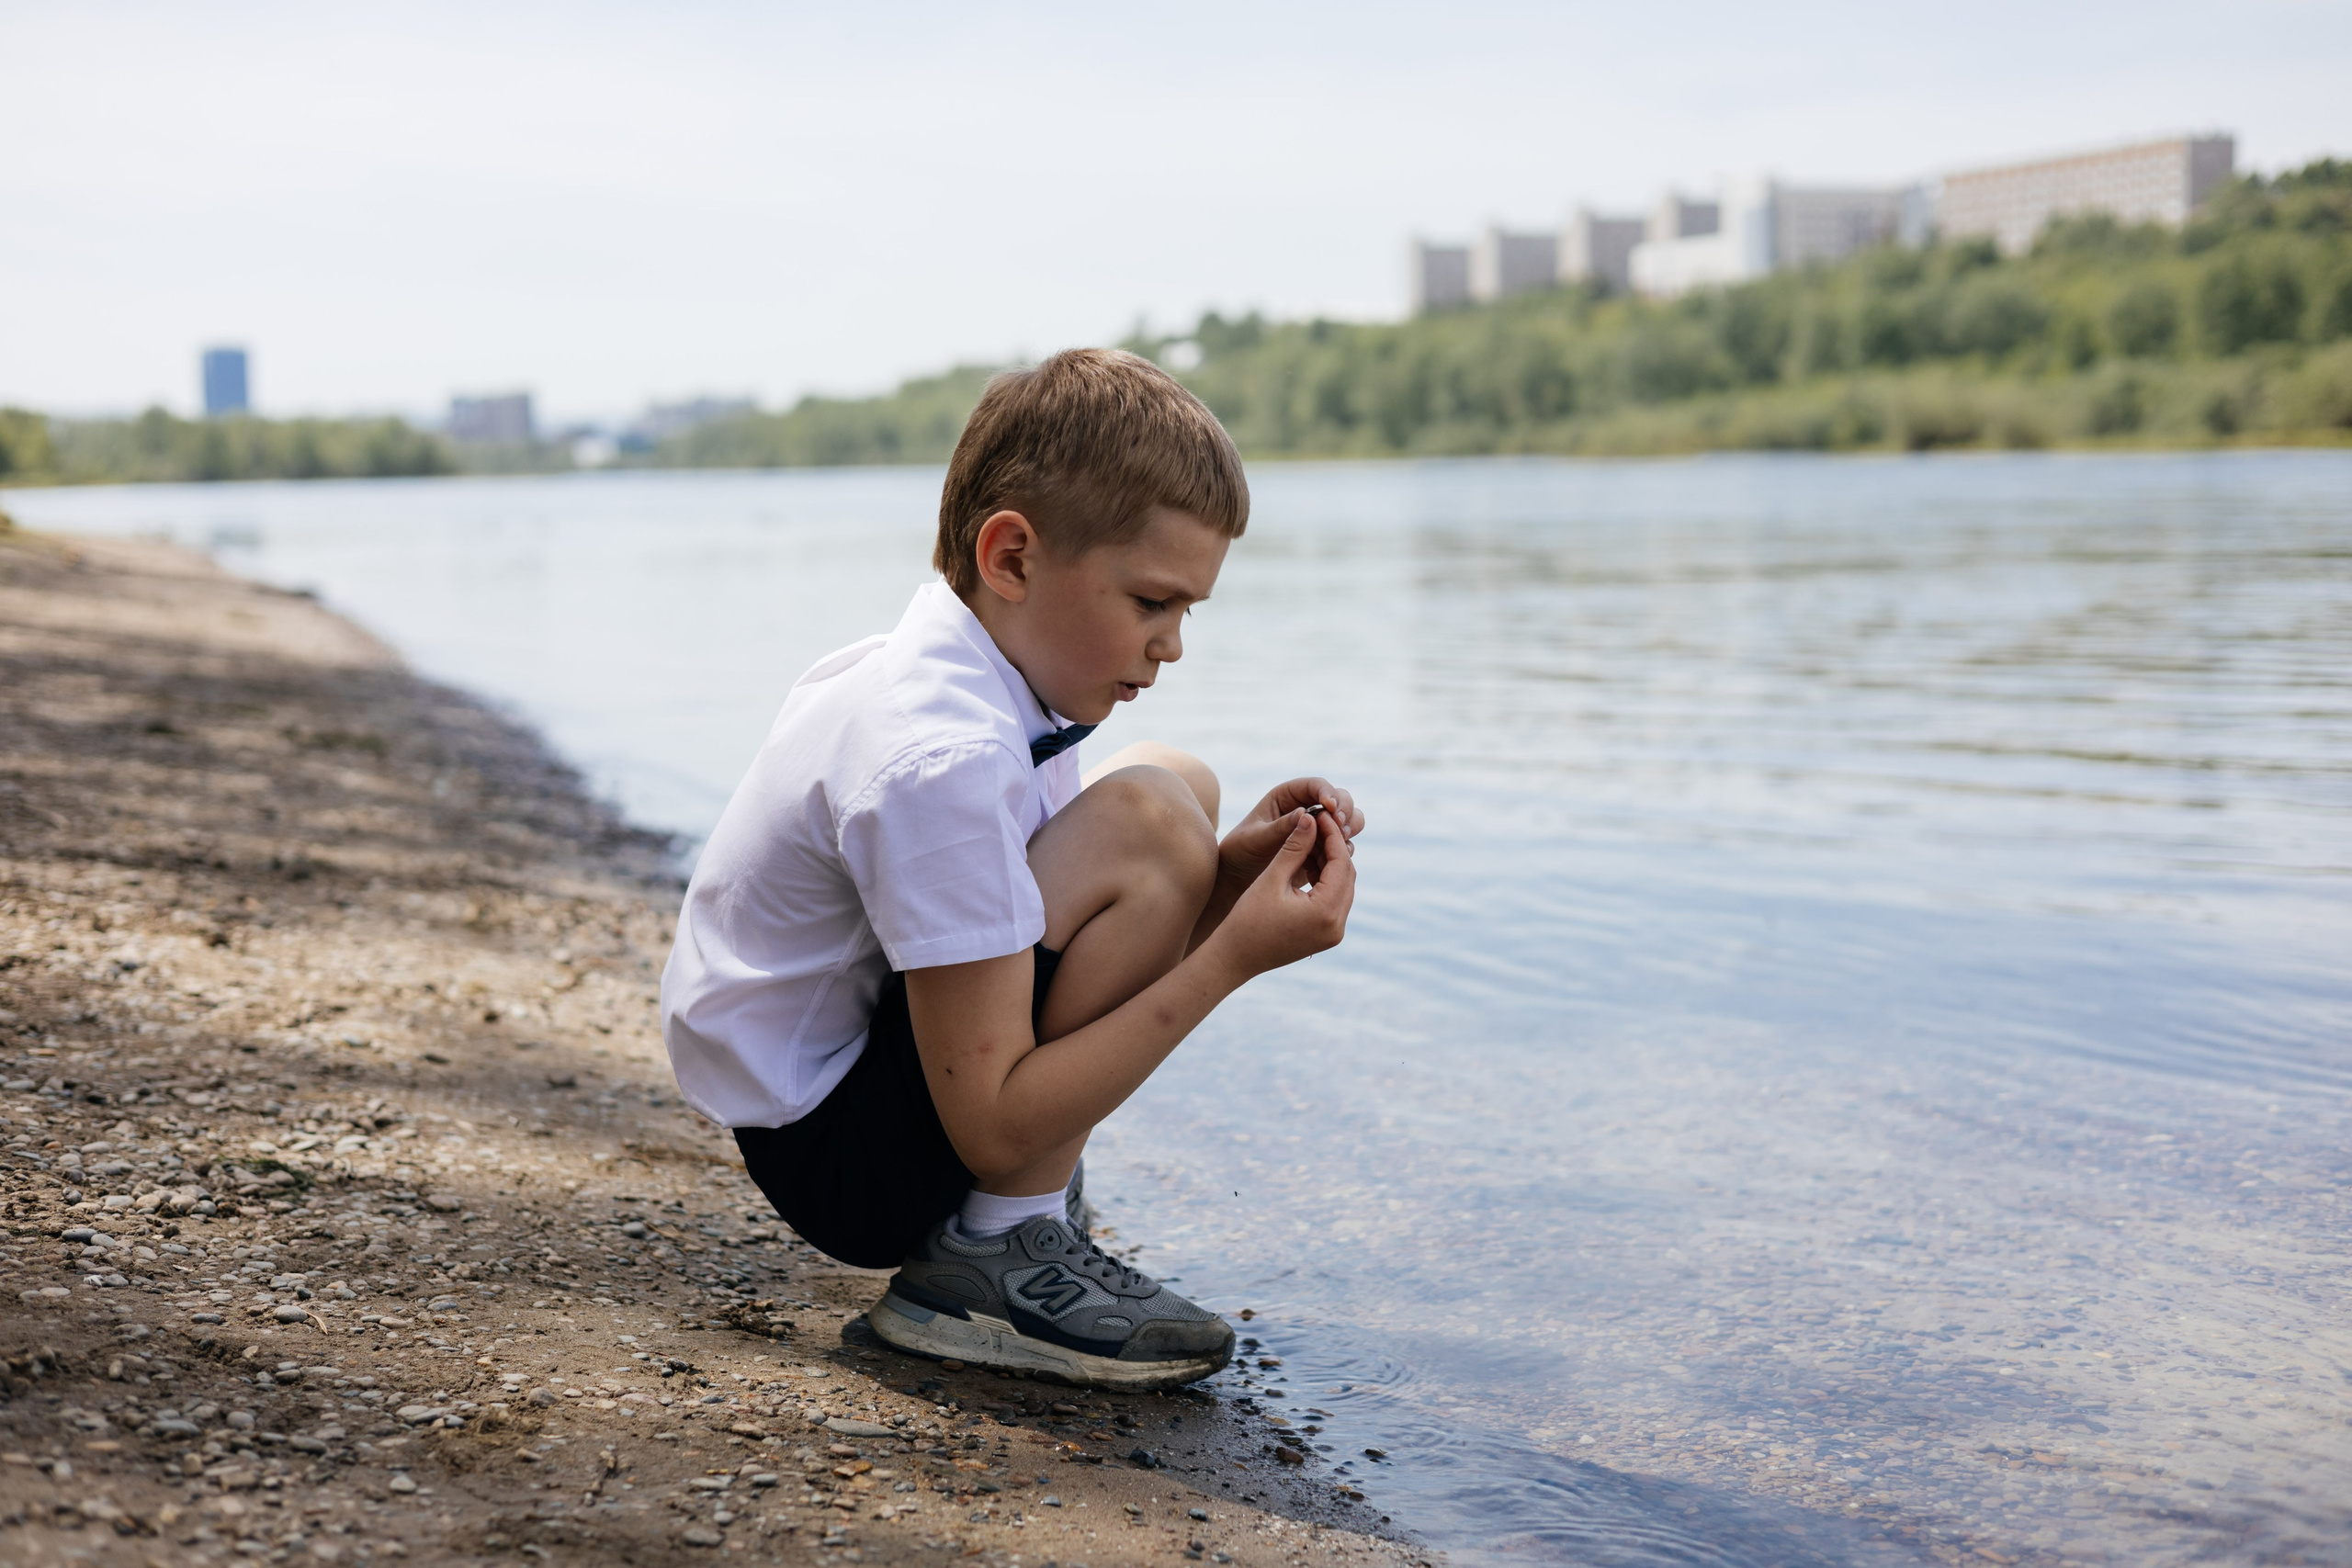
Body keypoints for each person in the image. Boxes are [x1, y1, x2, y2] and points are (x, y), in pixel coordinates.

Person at [661, 347, 1363, 1389]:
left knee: (1177, 783)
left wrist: (1230, 884)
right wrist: (1234, 960)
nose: (1171, 645)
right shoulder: (935, 756)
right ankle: (993, 1253)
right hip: (838, 1158)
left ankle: (1015, 1218)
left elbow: (1063, 919)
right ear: (1012, 557)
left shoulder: (970, 669)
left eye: (1187, 612)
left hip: (863, 1080)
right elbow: (989, 1124)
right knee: (1146, 820)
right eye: (1151, 602)